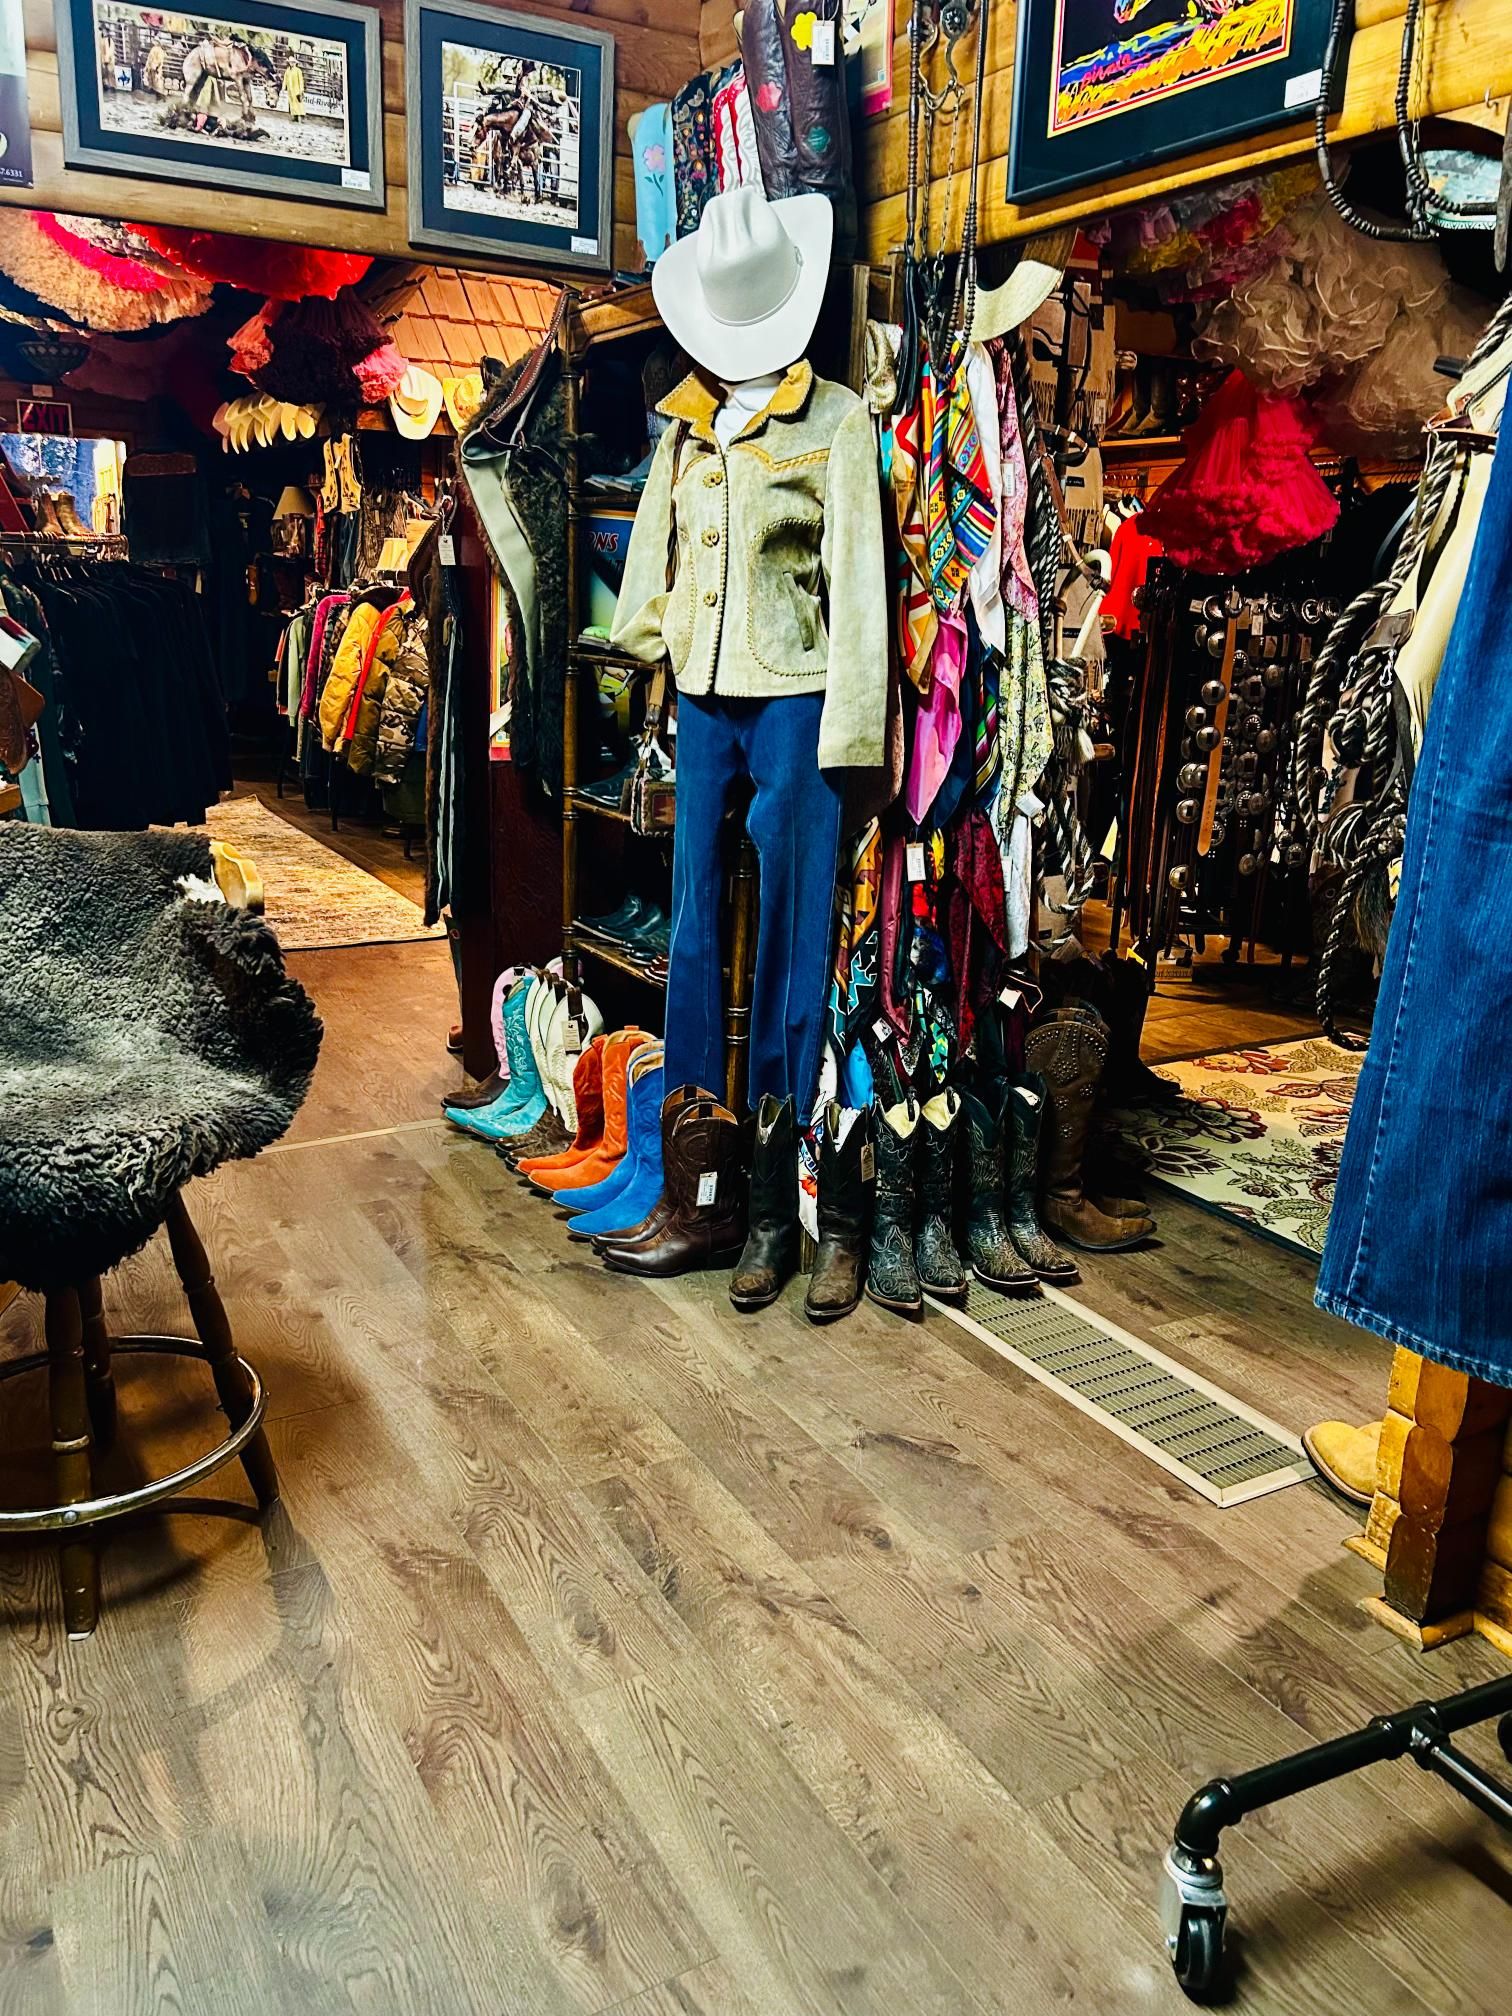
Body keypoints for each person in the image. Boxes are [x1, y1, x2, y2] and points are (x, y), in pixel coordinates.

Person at [283, 51, 305, 123]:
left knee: (298, 103)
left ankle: (299, 117)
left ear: (295, 63)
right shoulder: (287, 71)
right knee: (292, 103)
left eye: (292, 62)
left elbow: (301, 80)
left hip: (297, 90)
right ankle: (294, 116)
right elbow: (285, 79)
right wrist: (284, 87)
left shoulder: (298, 71)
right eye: (290, 62)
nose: (291, 63)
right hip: (290, 90)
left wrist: (301, 89)